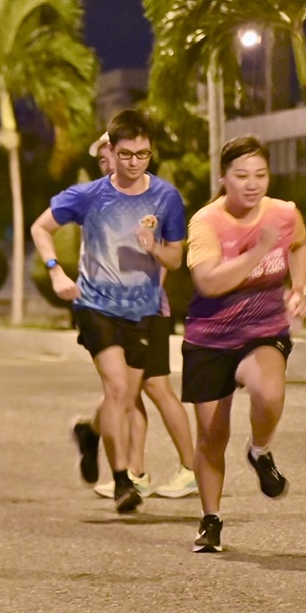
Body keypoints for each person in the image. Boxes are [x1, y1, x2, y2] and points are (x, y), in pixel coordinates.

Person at [30, 109, 187, 514]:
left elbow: (176, 259)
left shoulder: (166, 197)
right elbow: (40, 228)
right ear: (111, 152)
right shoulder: (89, 195)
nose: (134, 162)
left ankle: (89, 431)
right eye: (126, 154)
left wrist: (154, 248)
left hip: (143, 310)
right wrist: (55, 272)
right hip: (95, 304)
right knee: (118, 388)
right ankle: (122, 481)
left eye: (143, 154)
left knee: (125, 393)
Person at [182, 135, 306, 552]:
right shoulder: (206, 222)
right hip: (210, 336)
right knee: (212, 435)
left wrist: (300, 287)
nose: (252, 184)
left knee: (269, 391)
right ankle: (211, 519)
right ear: (223, 178)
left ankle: (260, 451)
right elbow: (208, 281)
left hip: (263, 329)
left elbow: (300, 242)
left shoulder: (283, 213)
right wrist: (257, 250)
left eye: (260, 174)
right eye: (241, 176)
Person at [84, 133, 197, 501]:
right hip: (121, 312)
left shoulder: (155, 203)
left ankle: (190, 468)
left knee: (153, 389)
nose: (110, 165)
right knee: (129, 394)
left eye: (111, 158)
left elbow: (164, 261)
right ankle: (135, 471)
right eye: (104, 160)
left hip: (149, 312)